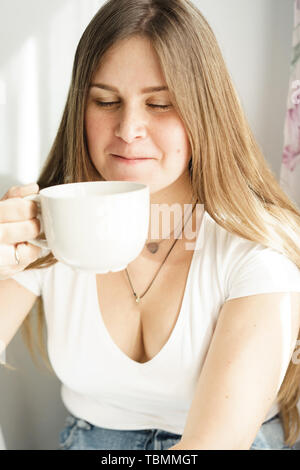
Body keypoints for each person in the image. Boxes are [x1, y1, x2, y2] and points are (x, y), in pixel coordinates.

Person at [1, 0, 300, 451]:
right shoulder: (52, 227)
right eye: (106, 101)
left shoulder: (257, 252)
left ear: (205, 112)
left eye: (160, 104)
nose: (129, 128)